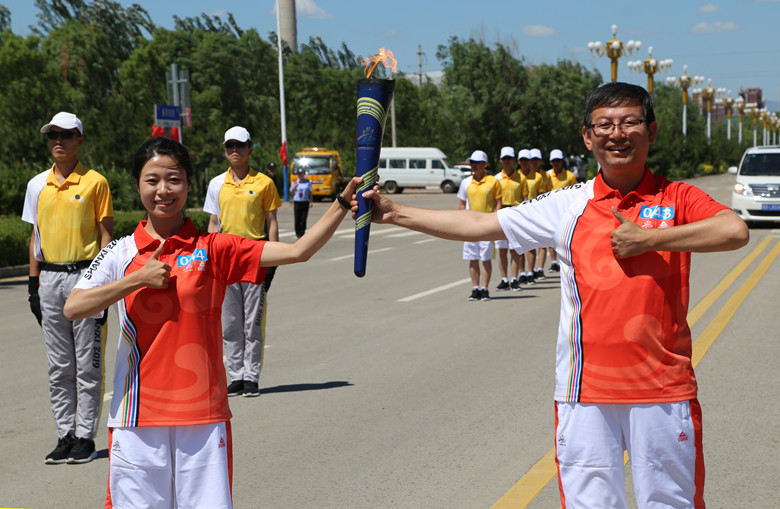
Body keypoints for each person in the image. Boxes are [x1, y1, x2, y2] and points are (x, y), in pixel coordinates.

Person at [356, 82, 749, 508]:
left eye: (630, 122)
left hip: (663, 390)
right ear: (587, 136)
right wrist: (396, 213)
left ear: (651, 132)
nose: (617, 133)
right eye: (605, 125)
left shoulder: (677, 197)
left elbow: (734, 230)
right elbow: (481, 226)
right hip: (583, 392)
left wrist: (649, 240)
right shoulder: (568, 204)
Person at [63, 137, 360, 508]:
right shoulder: (120, 251)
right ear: (137, 185)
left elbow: (299, 251)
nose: (163, 190)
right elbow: (74, 308)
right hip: (136, 413)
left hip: (201, 412)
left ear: (189, 185)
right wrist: (136, 279)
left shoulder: (214, 247)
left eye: (174, 179)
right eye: (151, 180)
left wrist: (341, 202)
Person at [22, 112, 114, 465]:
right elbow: (36, 237)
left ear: (80, 140)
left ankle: (85, 436)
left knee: (86, 365)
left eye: (66, 135)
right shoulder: (36, 185)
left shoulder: (95, 183)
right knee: (59, 366)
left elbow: (106, 236)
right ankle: (64, 434)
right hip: (49, 280)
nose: (58, 141)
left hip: (85, 279)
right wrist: (33, 284)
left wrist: (103, 283)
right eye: (52, 135)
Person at [204, 126, 280, 397]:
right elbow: (214, 224)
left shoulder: (264, 183)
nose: (234, 151)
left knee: (253, 324)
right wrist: (209, 259)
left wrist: (273, 261)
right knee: (230, 324)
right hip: (225, 259)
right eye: (229, 146)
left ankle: (251, 378)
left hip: (255, 257)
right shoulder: (216, 184)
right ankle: (235, 376)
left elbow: (272, 223)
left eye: (240, 145)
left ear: (250, 149)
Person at [456, 150, 502, 301]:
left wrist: (496, 222)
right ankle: (475, 289)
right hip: (470, 227)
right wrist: (461, 223)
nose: (474, 165)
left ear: (485, 164)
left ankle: (485, 289)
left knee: (486, 258)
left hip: (487, 226)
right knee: (472, 258)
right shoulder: (466, 182)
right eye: (472, 163)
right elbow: (462, 204)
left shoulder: (493, 181)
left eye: (477, 163)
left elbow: (498, 204)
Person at [494, 146, 527, 292]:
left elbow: (525, 199)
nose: (507, 161)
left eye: (509, 158)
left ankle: (514, 278)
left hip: (515, 213)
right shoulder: (496, 178)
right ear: (501, 160)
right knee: (502, 249)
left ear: (514, 160)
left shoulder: (521, 178)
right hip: (501, 214)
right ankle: (504, 279)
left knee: (515, 249)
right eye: (504, 159)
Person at [546, 149, 578, 272]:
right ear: (550, 162)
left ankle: (567, 259)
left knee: (566, 235)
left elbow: (575, 193)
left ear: (562, 161)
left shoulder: (570, 176)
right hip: (552, 210)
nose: (556, 163)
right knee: (552, 236)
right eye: (554, 161)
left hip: (567, 210)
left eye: (558, 161)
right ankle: (554, 262)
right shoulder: (548, 176)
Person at [516, 149, 539, 285]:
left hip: (533, 213)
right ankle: (522, 272)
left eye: (527, 160)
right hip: (520, 212)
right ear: (518, 161)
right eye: (522, 160)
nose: (524, 163)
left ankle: (531, 271)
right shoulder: (516, 176)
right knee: (519, 245)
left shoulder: (538, 177)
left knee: (530, 244)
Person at [529, 148, 553, 279]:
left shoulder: (545, 175)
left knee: (542, 242)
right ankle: (530, 270)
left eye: (537, 160)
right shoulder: (525, 176)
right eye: (532, 160)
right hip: (529, 211)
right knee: (530, 242)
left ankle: (540, 269)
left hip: (542, 211)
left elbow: (548, 193)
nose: (534, 163)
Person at [291, 168, 314, 238]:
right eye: (299, 174)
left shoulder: (307, 182)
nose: (300, 175)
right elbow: (291, 193)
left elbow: (310, 193)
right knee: (297, 218)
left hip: (305, 202)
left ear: (303, 174)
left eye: (302, 174)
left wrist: (311, 202)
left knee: (303, 219)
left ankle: (302, 232)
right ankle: (298, 233)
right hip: (297, 202)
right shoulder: (295, 182)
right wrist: (294, 187)